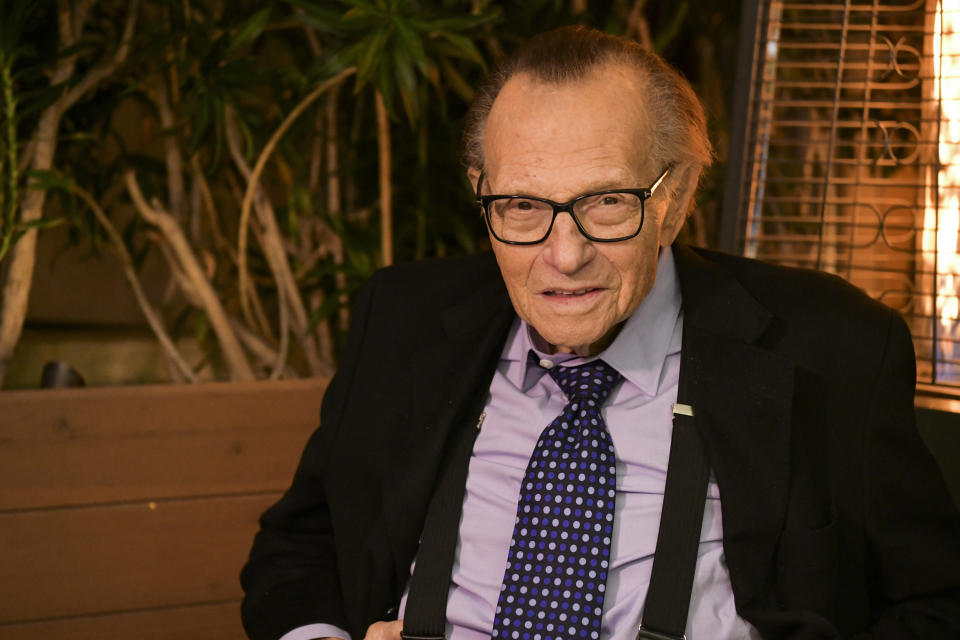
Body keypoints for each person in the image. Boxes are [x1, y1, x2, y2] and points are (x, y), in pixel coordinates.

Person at [240, 26, 960, 640]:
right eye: (522, 205)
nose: (563, 255)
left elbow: (933, 603)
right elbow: (301, 546)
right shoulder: (402, 320)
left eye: (606, 203)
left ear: (674, 199)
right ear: (482, 191)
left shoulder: (834, 347)